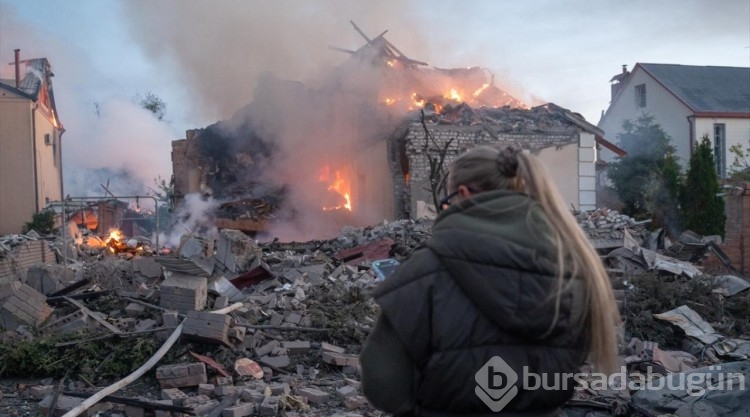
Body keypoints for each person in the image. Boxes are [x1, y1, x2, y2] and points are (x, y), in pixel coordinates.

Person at [360, 144, 621, 416]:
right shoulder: (576, 266)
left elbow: (383, 383)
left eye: (448, 200)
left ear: (462, 194)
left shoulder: (424, 271)